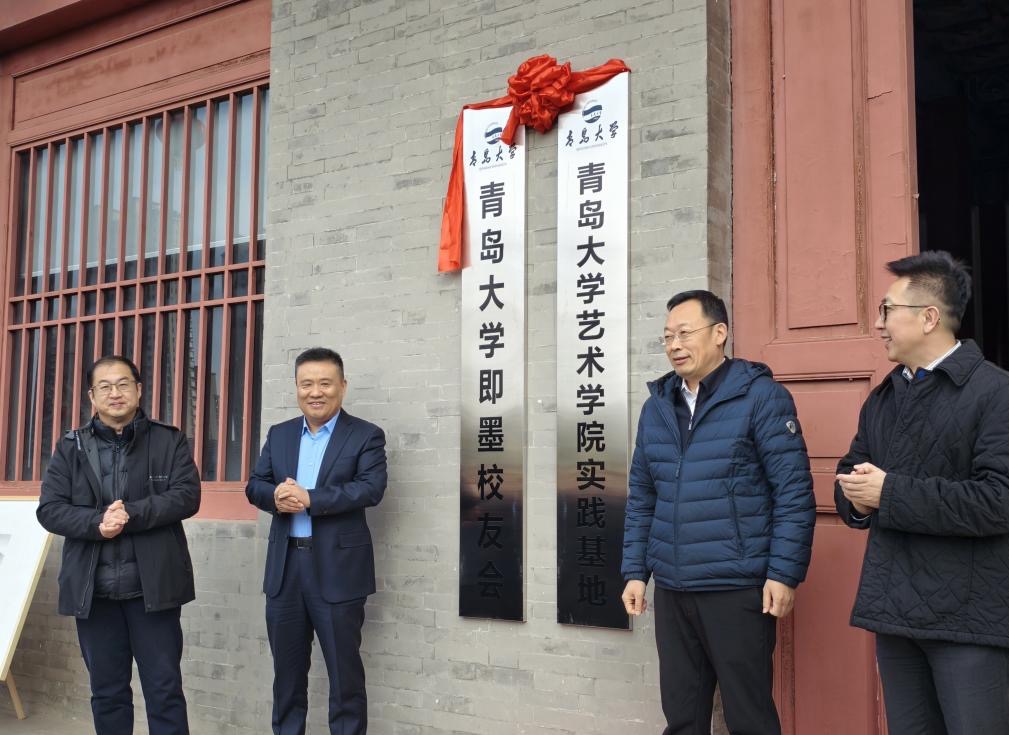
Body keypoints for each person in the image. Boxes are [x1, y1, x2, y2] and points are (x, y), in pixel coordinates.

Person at [621, 289, 815, 735]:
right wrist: (635, 571)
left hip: (736, 588)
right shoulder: (657, 408)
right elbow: (643, 496)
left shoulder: (761, 398)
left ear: (720, 333)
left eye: (684, 333)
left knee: (749, 717)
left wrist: (783, 574)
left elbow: (792, 492)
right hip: (673, 587)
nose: (674, 345)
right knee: (682, 717)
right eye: (667, 336)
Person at [835, 251, 1009, 734]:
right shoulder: (885, 396)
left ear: (929, 317)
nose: (877, 323)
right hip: (895, 614)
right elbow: (852, 471)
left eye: (887, 310)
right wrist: (855, 497)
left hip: (969, 621)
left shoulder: (995, 392)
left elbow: (999, 500)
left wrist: (888, 493)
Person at [37, 355, 201, 735]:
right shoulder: (71, 446)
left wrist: (130, 514)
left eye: (124, 384)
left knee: (164, 691)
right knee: (107, 693)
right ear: (92, 396)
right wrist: (98, 523)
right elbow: (50, 509)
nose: (115, 393)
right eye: (105, 386)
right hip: (94, 593)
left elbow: (187, 496)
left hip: (153, 589)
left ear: (139, 390)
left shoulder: (168, 440)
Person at [246, 347, 387, 735]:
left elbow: (371, 488)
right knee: (287, 678)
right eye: (306, 384)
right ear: (296, 387)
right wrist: (275, 497)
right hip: (285, 570)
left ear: (342, 386)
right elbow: (255, 485)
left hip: (337, 571)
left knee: (345, 679)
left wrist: (311, 498)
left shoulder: (365, 435)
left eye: (325, 383)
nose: (315, 392)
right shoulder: (279, 434)